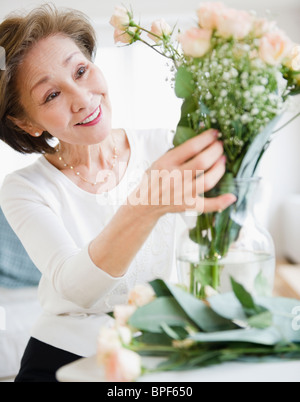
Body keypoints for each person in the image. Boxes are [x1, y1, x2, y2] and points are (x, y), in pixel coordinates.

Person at [0, 4, 236, 382]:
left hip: (158, 347)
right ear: (26, 122)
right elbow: (75, 289)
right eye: (51, 95)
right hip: (64, 353)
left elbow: (221, 241)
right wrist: (144, 207)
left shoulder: (166, 146)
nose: (82, 98)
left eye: (81, 70)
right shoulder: (24, 188)